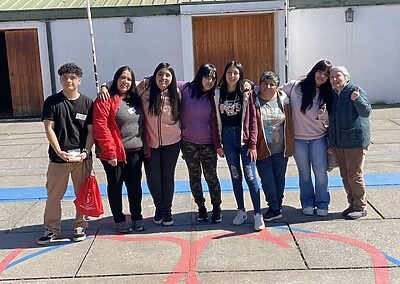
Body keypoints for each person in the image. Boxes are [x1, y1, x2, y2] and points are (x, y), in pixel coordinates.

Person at [38, 63, 93, 245]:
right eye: (64, 77)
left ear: (79, 80)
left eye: (72, 77)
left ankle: (80, 225)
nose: (68, 81)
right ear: (60, 80)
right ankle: (52, 229)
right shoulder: (52, 102)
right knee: (54, 196)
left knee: (82, 194)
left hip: (81, 159)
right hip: (58, 159)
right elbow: (48, 128)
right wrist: (58, 151)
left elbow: (91, 132)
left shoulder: (87, 103)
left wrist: (86, 151)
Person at [93, 66, 145, 233]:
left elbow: (147, 81)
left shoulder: (134, 99)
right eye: (122, 78)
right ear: (115, 79)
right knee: (115, 186)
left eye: (129, 79)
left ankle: (137, 216)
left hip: (135, 151)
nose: (125, 82)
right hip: (114, 154)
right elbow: (101, 127)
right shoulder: (105, 99)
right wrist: (110, 153)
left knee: (135, 186)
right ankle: (119, 218)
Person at [214, 60, 264, 231]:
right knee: (235, 176)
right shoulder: (217, 93)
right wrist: (217, 144)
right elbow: (214, 120)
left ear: (240, 75)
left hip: (244, 139)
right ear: (225, 74)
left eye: (236, 73)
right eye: (229, 72)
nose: (232, 76)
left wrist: (252, 144)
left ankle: (257, 213)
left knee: (251, 176)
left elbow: (253, 121)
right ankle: (241, 210)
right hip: (227, 139)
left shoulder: (247, 93)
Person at [281, 60, 332, 217]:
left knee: (321, 172)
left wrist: (324, 115)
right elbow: (274, 92)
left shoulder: (327, 93)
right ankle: (307, 202)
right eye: (320, 72)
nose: (322, 76)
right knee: (304, 173)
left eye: (326, 74)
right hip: (298, 139)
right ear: (313, 71)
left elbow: (328, 122)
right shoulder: (295, 86)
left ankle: (322, 203)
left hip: (318, 138)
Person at [137, 62, 181, 226]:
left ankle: (167, 210)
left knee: (168, 177)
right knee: (153, 178)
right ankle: (159, 207)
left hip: (173, 142)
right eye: (160, 74)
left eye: (167, 75)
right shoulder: (144, 89)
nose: (164, 78)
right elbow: (121, 81)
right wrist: (105, 87)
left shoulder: (176, 93)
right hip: (151, 143)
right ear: (154, 76)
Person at [180, 63, 223, 223]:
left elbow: (240, 85)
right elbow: (161, 79)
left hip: (208, 144)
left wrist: (247, 84)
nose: (209, 81)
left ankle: (217, 208)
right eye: (206, 76)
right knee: (195, 178)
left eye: (213, 78)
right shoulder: (186, 89)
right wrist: (104, 86)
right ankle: (201, 208)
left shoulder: (215, 95)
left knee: (211, 177)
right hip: (188, 143)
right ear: (200, 76)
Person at [328, 66, 371, 219]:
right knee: (345, 176)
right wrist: (331, 143)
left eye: (337, 76)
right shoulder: (334, 94)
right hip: (340, 142)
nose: (334, 79)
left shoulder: (355, 90)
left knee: (355, 175)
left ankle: (360, 206)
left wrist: (357, 99)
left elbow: (366, 112)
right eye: (331, 76)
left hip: (355, 142)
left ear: (346, 77)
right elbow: (333, 120)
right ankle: (352, 204)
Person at [255, 71, 294, 221]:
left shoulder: (284, 100)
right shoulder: (254, 100)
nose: (268, 87)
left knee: (279, 177)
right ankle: (273, 205)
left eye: (272, 84)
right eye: (265, 83)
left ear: (277, 87)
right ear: (260, 84)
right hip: (262, 148)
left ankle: (277, 206)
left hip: (281, 148)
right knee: (266, 179)